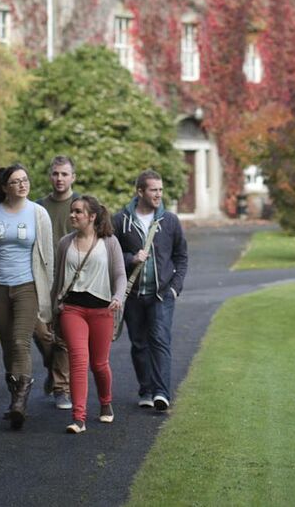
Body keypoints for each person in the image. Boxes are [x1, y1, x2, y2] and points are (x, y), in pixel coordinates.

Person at [0, 164, 55, 430]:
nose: (22, 185)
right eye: (16, 181)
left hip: (27, 286)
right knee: (8, 344)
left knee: (21, 341)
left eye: (25, 180)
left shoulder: (38, 213)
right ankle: (14, 394)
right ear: (5, 187)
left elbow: (47, 257)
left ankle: (20, 402)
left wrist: (47, 290)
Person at [113, 170, 188, 412]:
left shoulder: (170, 221)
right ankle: (145, 389)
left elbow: (181, 257)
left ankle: (161, 393)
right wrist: (131, 258)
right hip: (133, 295)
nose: (158, 194)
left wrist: (175, 288)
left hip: (161, 294)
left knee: (160, 340)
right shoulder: (120, 221)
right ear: (140, 192)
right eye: (154, 190)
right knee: (139, 343)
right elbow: (110, 254)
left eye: (161, 190)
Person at [51, 195, 127, 434]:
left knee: (99, 364)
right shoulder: (65, 243)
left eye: (78, 212)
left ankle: (105, 403)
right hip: (73, 309)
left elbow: (120, 276)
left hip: (102, 309)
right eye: (72, 211)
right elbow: (57, 279)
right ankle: (78, 418)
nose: (72, 215)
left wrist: (118, 297)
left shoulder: (110, 242)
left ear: (92, 216)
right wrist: (54, 308)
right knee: (78, 359)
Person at [33, 156, 79, 410]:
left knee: (63, 338)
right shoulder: (38, 207)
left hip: (72, 281)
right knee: (41, 333)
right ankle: (54, 371)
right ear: (50, 176)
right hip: (41, 280)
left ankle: (62, 388)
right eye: (55, 174)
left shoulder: (81, 205)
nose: (59, 178)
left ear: (73, 177)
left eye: (64, 174)